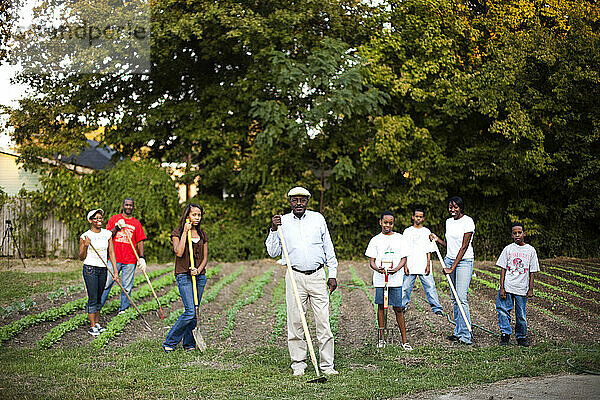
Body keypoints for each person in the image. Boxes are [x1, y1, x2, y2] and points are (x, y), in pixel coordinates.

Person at [266, 186, 339, 377]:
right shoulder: (283, 222)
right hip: (294, 276)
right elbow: (273, 252)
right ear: (289, 202)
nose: (299, 203)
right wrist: (273, 229)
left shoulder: (318, 219)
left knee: (323, 321)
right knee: (296, 321)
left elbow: (328, 247)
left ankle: (327, 365)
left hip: (317, 275)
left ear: (308, 201)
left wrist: (332, 273)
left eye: (302, 200)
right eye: (294, 200)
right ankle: (298, 363)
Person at [430, 196, 475, 345]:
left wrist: (452, 267)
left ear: (461, 207)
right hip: (450, 259)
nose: (452, 210)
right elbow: (450, 245)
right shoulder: (448, 222)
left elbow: (463, 247)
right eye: (450, 207)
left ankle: (466, 335)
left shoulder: (468, 222)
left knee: (461, 298)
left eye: (455, 207)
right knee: (454, 299)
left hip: (463, 261)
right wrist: (437, 240)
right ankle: (458, 331)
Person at [163, 203, 208, 352]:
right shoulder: (177, 232)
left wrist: (198, 270)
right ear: (187, 216)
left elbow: (205, 258)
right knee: (189, 311)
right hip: (183, 275)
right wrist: (185, 232)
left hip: (199, 277)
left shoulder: (202, 235)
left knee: (195, 310)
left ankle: (189, 343)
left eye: (199, 215)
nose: (196, 217)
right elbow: (179, 252)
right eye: (194, 214)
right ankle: (170, 341)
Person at [365, 211, 412, 350]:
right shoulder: (375, 240)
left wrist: (397, 268)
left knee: (398, 308)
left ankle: (404, 340)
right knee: (381, 306)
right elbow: (371, 261)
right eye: (385, 222)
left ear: (393, 223)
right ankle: (381, 338)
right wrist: (378, 269)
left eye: (390, 223)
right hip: (381, 279)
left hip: (395, 280)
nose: (388, 225)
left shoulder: (400, 238)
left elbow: (404, 258)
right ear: (380, 222)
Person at [100, 198, 147, 314]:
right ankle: (97, 307)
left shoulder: (136, 223)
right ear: (123, 206)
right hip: (114, 259)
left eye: (131, 205)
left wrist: (142, 257)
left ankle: (123, 310)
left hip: (130, 260)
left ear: (133, 207)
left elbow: (140, 241)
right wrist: (116, 227)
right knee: (106, 283)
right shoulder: (115, 219)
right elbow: (107, 235)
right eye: (127, 205)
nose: (128, 207)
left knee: (126, 287)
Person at [496, 222, 539, 347]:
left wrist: (530, 289)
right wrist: (502, 288)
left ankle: (521, 337)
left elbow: (532, 272)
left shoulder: (530, 250)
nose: (517, 235)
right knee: (503, 311)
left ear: (524, 234)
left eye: (519, 232)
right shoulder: (508, 249)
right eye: (514, 233)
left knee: (521, 315)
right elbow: (503, 269)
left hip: (522, 288)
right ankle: (505, 335)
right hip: (508, 286)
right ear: (512, 235)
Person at [79, 209, 118, 336]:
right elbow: (81, 257)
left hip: (103, 269)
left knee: (100, 297)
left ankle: (97, 323)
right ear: (90, 220)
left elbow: (111, 253)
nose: (99, 220)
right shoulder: (85, 236)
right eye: (95, 218)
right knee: (93, 297)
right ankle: (92, 326)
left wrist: (115, 271)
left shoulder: (107, 234)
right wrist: (85, 245)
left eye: (100, 218)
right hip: (90, 269)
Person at [402, 208, 443, 316]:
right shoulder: (407, 231)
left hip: (423, 264)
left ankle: (437, 308)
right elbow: (404, 249)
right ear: (413, 217)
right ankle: (402, 306)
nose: (418, 218)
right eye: (416, 216)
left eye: (420, 217)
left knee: (430, 287)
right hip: (410, 264)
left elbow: (428, 250)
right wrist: (405, 265)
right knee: (405, 287)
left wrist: (428, 264)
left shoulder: (426, 232)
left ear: (423, 218)